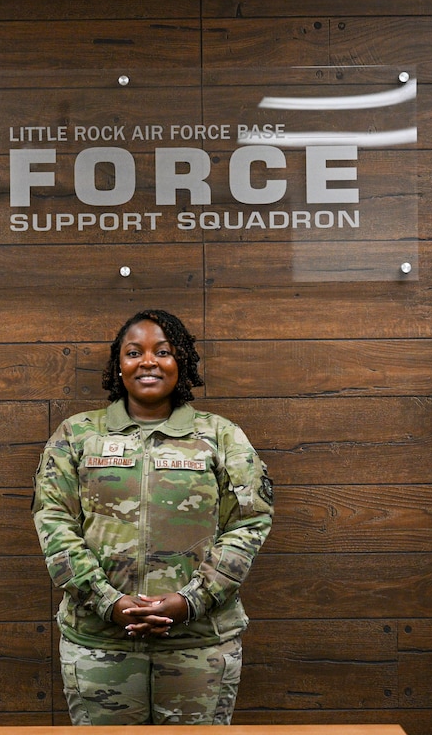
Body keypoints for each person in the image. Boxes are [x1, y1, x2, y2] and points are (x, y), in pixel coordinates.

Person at [32, 309, 274, 725]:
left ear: (182, 362)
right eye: (134, 352)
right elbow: (54, 521)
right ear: (118, 365)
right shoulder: (77, 435)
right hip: (100, 644)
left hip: (198, 644)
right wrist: (108, 602)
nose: (148, 362)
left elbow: (248, 524)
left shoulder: (221, 436)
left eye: (162, 352)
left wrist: (191, 601)